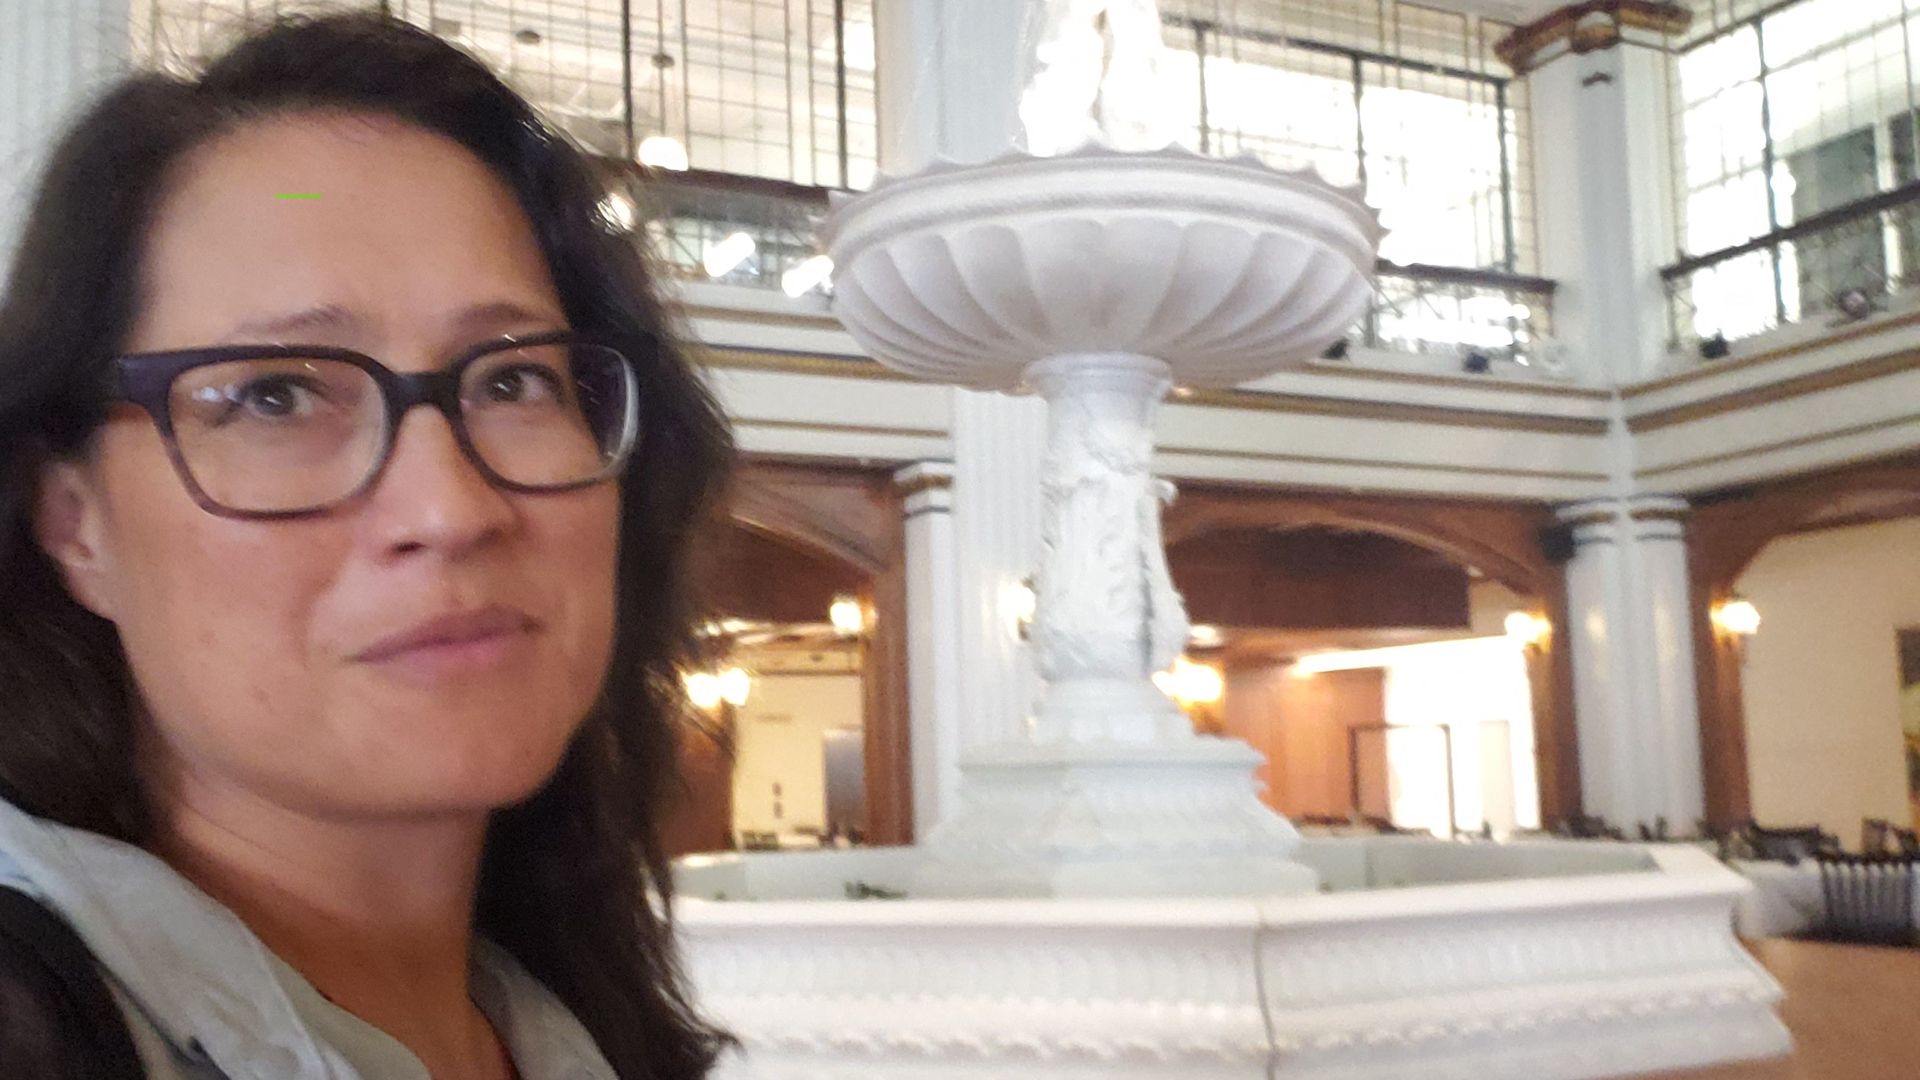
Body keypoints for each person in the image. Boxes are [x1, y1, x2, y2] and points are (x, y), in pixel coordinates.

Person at [0, 11, 733, 1079]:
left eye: (515, 378)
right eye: (276, 394)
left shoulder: (564, 1020)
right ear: (73, 523)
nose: (449, 508)